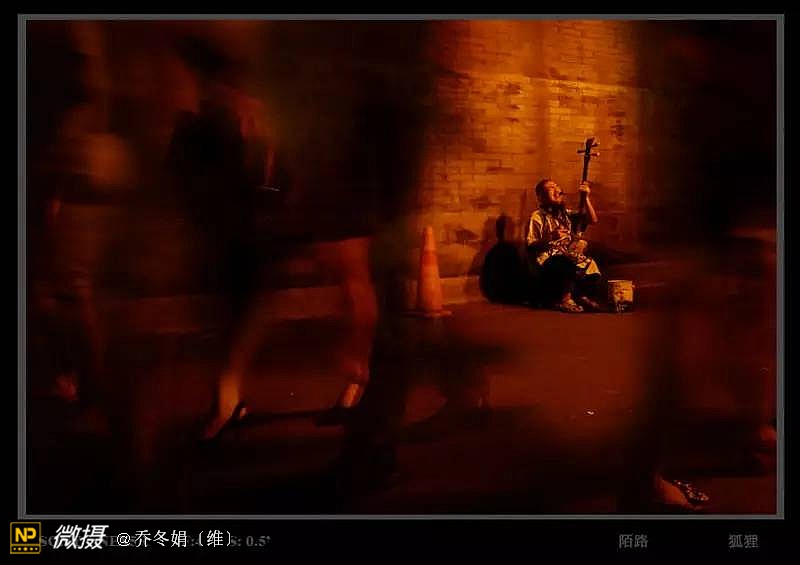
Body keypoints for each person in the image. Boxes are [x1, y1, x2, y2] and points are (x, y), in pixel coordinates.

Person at [525, 178, 603, 313]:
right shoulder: (537, 217)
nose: (557, 190)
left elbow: (593, 220)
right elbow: (530, 245)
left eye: (557, 187)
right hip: (548, 263)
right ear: (541, 197)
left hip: (566, 255)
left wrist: (586, 198)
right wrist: (551, 237)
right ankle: (564, 300)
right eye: (551, 188)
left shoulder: (566, 214)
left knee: (590, 263)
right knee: (565, 263)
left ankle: (582, 296)